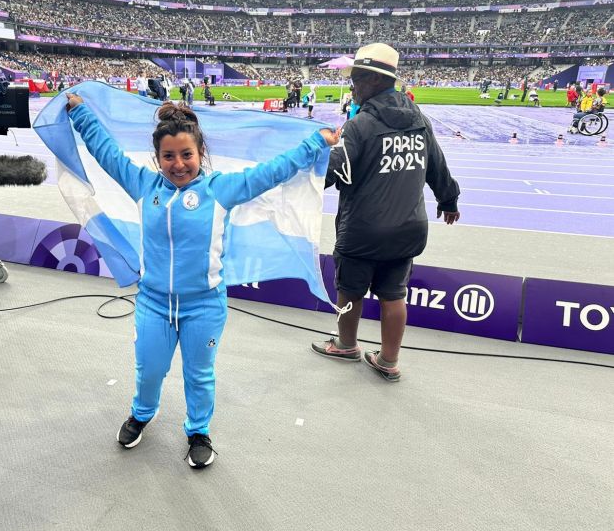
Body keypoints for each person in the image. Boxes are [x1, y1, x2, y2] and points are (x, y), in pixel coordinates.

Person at [65, 93, 340, 468]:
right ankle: (141, 414)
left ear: (200, 153)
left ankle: (198, 430)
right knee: (150, 369)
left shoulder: (220, 190)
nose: (178, 164)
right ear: (157, 158)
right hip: (153, 303)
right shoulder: (144, 186)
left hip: (204, 306)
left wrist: (315, 142)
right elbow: (106, 151)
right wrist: (80, 112)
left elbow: (274, 170)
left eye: (186, 155)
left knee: (199, 374)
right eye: (169, 156)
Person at [310, 43, 460, 382]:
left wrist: (298, 180)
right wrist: (448, 200)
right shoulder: (418, 118)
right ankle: (388, 360)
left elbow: (331, 174)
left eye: (358, 80)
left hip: (363, 230)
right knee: (394, 294)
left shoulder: (358, 126)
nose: (352, 86)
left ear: (376, 81)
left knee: (350, 290)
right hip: (408, 227)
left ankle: (347, 345)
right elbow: (436, 164)